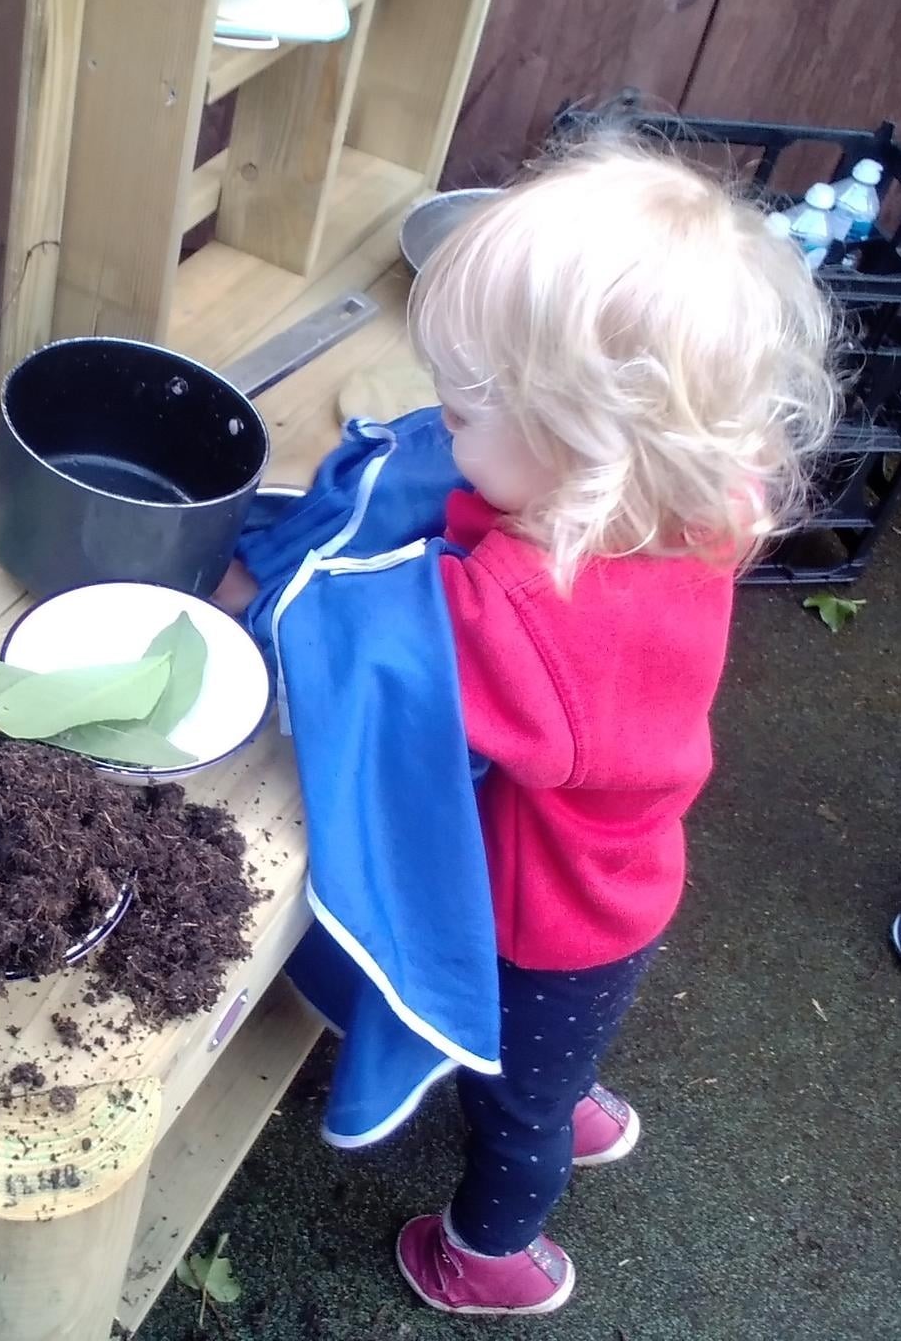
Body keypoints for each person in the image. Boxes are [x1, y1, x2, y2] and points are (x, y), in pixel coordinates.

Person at [217, 140, 838, 1316]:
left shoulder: (527, 621)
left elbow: (367, 652)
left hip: (550, 916)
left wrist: (250, 600)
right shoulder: (704, 493)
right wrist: (477, 459)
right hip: (625, 875)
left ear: (578, 450)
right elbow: (482, 505)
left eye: (454, 411)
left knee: (515, 1111)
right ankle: (576, 1088)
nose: (431, 426)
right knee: (558, 1056)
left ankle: (491, 1252)